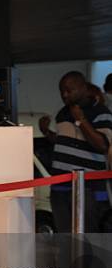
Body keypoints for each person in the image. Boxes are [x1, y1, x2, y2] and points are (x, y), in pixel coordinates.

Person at [39, 71, 112, 233]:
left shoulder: (101, 112)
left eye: (69, 90)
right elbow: (64, 143)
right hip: (60, 187)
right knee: (65, 237)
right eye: (61, 91)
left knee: (89, 237)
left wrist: (80, 120)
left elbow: (102, 146)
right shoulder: (62, 113)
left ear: (83, 88)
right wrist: (46, 132)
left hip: (87, 188)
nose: (64, 95)